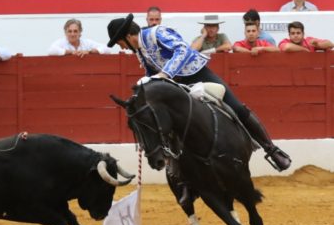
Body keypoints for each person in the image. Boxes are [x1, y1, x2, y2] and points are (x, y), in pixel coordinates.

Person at [106, 13, 291, 172]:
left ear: (128, 36)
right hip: (174, 85)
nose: (121, 47)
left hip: (197, 74)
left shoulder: (156, 33)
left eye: (119, 42)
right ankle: (179, 172)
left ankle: (271, 149)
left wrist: (165, 73)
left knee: (236, 107)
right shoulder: (140, 51)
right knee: (166, 122)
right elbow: (151, 74)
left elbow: (182, 50)